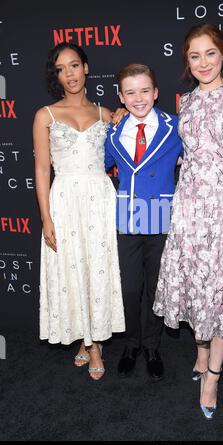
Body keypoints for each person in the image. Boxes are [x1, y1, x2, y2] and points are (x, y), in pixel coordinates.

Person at [153, 24, 223, 417]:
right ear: (187, 61)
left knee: (220, 288)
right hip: (188, 205)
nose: (202, 63)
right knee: (195, 283)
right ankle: (200, 356)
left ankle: (213, 376)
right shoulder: (189, 102)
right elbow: (186, 152)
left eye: (209, 54)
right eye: (194, 56)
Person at [33, 42, 125, 380]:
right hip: (64, 201)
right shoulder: (46, 115)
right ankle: (89, 343)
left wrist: (124, 113)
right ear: (56, 75)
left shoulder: (106, 114)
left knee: (96, 268)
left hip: (100, 199)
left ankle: (93, 342)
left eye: (74, 65)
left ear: (86, 68)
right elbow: (43, 170)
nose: (69, 73)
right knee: (72, 269)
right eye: (61, 68)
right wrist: (46, 218)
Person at [104, 64, 183, 380]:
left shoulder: (175, 126)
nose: (139, 99)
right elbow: (99, 167)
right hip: (126, 219)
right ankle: (131, 344)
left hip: (161, 217)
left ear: (156, 92)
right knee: (129, 288)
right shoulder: (112, 131)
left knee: (155, 289)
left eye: (145, 90)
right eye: (131, 92)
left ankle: (151, 345)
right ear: (121, 97)